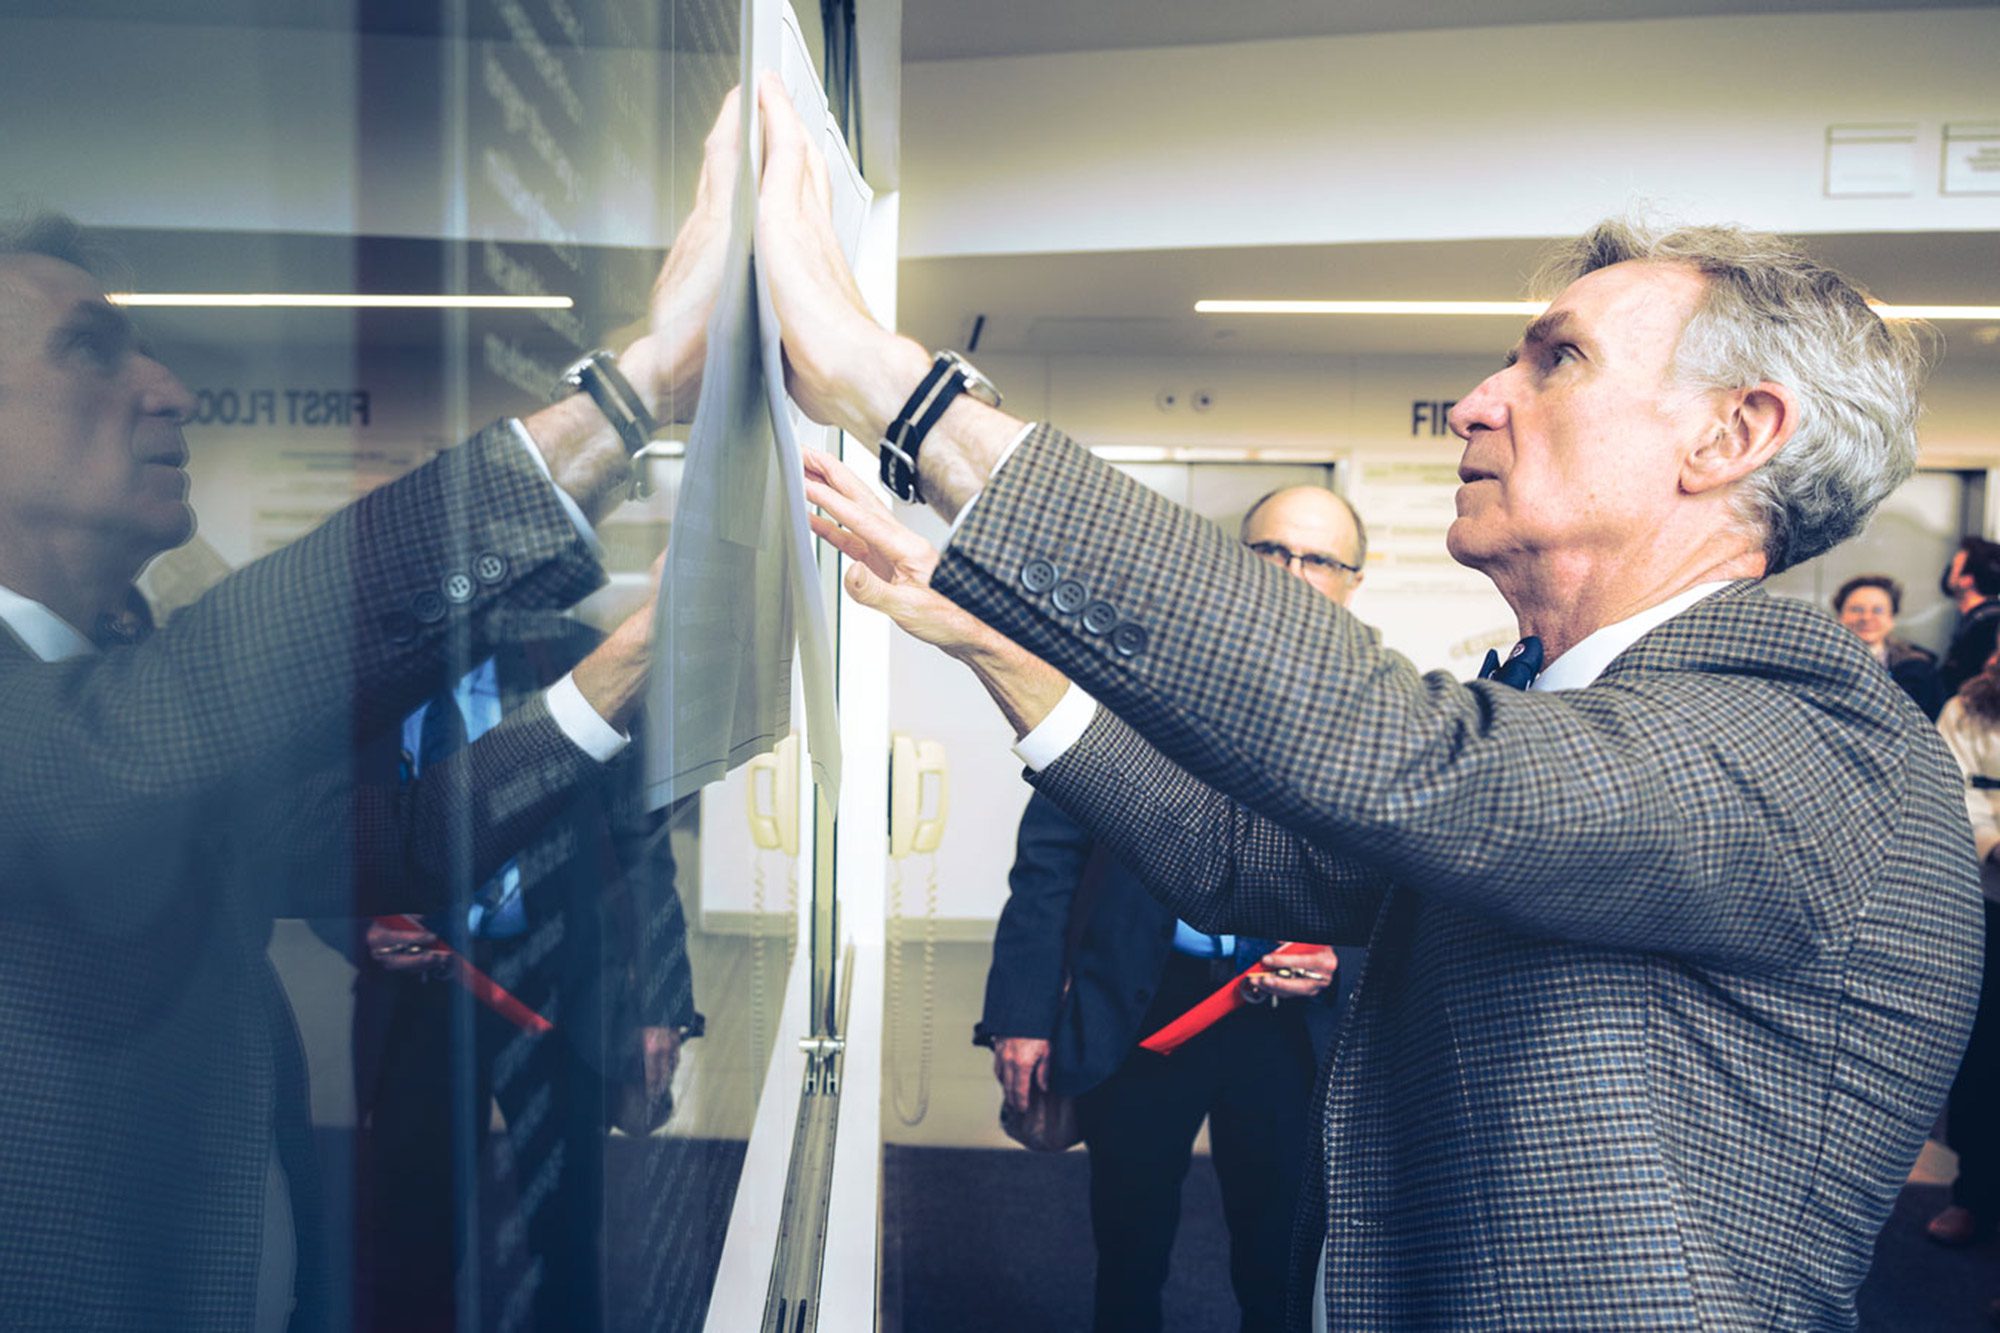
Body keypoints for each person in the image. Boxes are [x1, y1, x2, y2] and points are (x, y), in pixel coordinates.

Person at [755, 77, 1981, 1329]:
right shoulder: (1577, 709)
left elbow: (1412, 763)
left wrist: (896, 396)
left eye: (1555, 360)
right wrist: (986, 639)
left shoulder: (1812, 731)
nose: (1475, 401)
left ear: (1731, 436)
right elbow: (1234, 857)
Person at [0, 90, 735, 1332]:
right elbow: (146, 738)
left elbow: (384, 840)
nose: (170, 387)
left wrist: (625, 665)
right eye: (92, 348)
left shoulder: (114, 662)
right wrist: (636, 391)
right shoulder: (99, 725)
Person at [979, 487, 1362, 1333]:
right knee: (1129, 1245)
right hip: (1146, 1002)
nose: (1293, 575)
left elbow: (1404, 884)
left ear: (1352, 582)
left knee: (1278, 1260)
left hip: (1287, 1032)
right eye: (1272, 552)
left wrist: (1344, 961)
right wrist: (1020, 1013)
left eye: (1318, 559)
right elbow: (1048, 862)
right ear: (1238, 562)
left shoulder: (1383, 716)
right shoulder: (1135, 682)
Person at [310, 603, 702, 1333]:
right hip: (416, 1002)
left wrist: (660, 1003)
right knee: (410, 1234)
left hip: (560, 987)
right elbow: (313, 833)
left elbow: (642, 847)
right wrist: (359, 924)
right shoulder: (358, 683)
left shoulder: (589, 662)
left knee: (565, 1232)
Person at [1929, 659, 2000, 1252]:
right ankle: (1972, 1195)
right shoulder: (1966, 710)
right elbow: (1954, 791)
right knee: (1984, 1058)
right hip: (1990, 899)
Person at [1833, 573, 1944, 719]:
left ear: (1892, 618)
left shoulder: (1919, 668)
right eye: (1856, 609)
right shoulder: (1819, 661)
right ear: (1840, 617)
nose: (1866, 618)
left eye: (1878, 610)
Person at [1940, 537, 2000, 697]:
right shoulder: (1982, 620)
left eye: (1954, 567)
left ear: (1967, 580)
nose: (1948, 572)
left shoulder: (1986, 627)